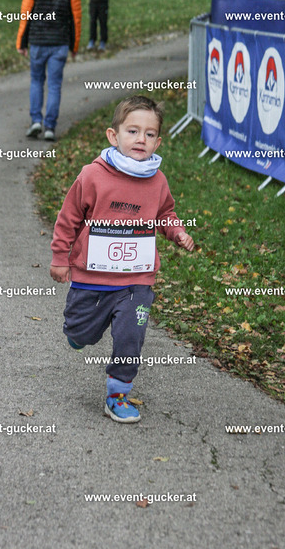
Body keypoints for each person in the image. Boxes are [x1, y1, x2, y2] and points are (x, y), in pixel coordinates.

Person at [50, 95, 194, 424]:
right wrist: (60, 256)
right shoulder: (92, 175)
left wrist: (177, 232)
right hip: (92, 277)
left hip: (136, 279)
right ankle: (79, 331)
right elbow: (69, 218)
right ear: (113, 136)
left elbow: (165, 213)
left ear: (158, 142)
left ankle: (118, 394)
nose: (141, 139)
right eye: (132, 131)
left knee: (131, 336)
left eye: (149, 133)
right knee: (82, 333)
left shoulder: (157, 180)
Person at [16, 0, 81, 141]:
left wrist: (21, 43)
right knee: (54, 85)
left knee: (36, 81)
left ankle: (36, 120)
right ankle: (50, 127)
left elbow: (25, 15)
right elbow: (75, 19)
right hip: (60, 43)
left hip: (37, 42)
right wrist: (74, 46)